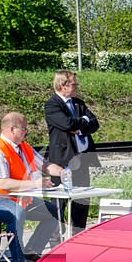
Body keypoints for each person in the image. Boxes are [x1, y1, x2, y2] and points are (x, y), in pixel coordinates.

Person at [0, 112, 64, 262]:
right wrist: (35, 184)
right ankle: (18, 261)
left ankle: (31, 252)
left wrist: (62, 172)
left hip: (19, 198)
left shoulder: (24, 147)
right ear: (12, 129)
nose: (26, 132)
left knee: (53, 212)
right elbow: (3, 183)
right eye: (24, 128)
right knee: (17, 212)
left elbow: (44, 165)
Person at [44, 70, 100, 234]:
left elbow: (94, 124)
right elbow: (66, 123)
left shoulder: (78, 103)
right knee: (59, 202)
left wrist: (80, 127)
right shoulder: (52, 105)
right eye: (74, 84)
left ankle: (78, 235)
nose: (77, 87)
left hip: (82, 159)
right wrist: (83, 121)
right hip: (63, 162)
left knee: (82, 200)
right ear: (63, 85)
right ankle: (56, 237)